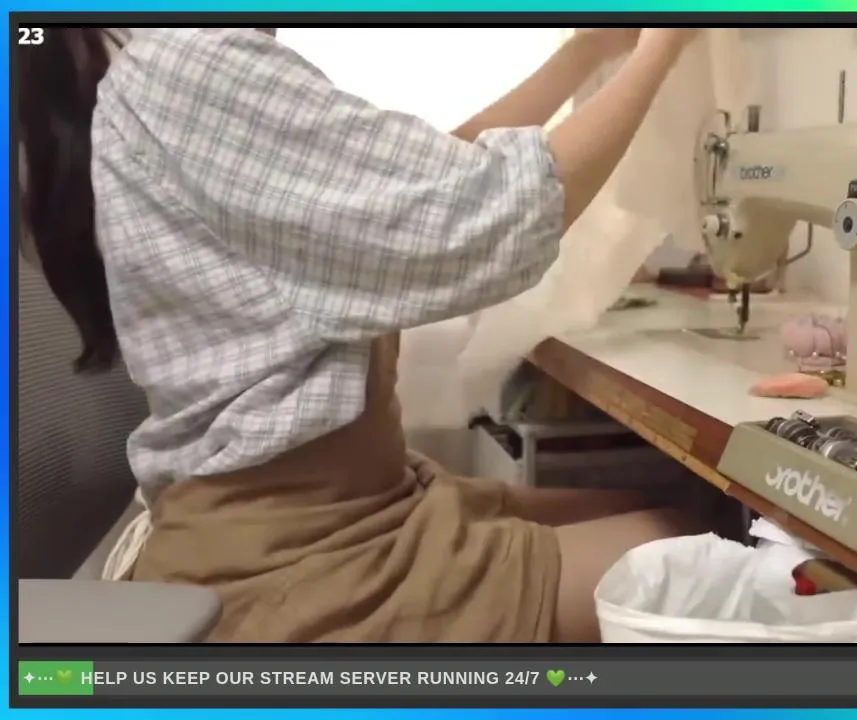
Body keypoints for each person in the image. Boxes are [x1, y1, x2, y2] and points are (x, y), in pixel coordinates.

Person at [17, 26, 708, 643]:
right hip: (292, 560)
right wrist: (663, 45)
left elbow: (429, 186)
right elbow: (488, 213)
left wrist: (590, 50)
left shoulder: (169, 71)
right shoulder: (190, 65)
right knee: (681, 547)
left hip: (334, 513)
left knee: (656, 511)